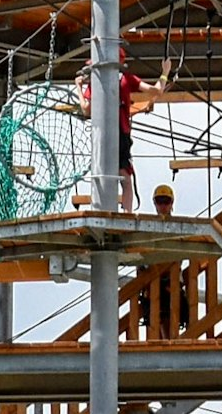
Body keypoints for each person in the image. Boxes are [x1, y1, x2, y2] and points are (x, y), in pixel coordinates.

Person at [75, 46, 171, 213]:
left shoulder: (96, 83)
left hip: (102, 135)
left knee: (102, 172)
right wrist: (165, 72)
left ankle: (102, 209)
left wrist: (78, 88)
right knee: (125, 178)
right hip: (121, 132)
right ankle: (127, 212)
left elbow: (86, 109)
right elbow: (156, 90)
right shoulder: (127, 79)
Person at [138, 184, 190, 339]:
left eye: (165, 201)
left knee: (171, 310)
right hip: (154, 277)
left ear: (171, 203)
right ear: (155, 203)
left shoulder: (177, 227)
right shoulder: (149, 227)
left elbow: (182, 252)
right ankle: (164, 340)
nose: (162, 205)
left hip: (170, 278)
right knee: (156, 311)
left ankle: (169, 340)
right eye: (159, 201)